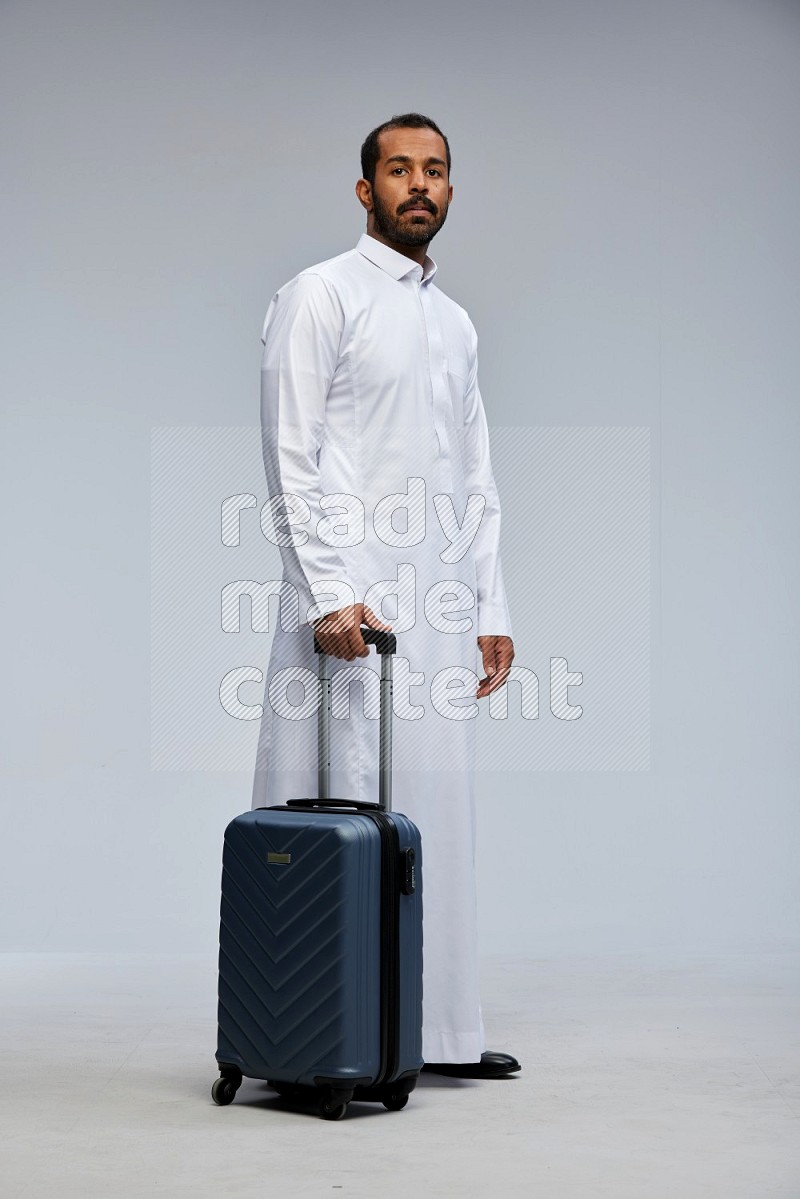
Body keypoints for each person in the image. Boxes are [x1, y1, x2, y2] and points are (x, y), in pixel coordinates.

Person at [252, 112, 520, 1079]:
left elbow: (476, 477)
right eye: (399, 169)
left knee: (437, 810)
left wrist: (489, 607)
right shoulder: (320, 295)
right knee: (355, 799)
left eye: (436, 170)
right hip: (354, 607)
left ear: (451, 190)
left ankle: (434, 1032)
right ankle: (339, 1034)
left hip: (440, 613)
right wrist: (330, 591)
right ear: (365, 190)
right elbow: (292, 453)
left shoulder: (455, 323)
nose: (420, 185)